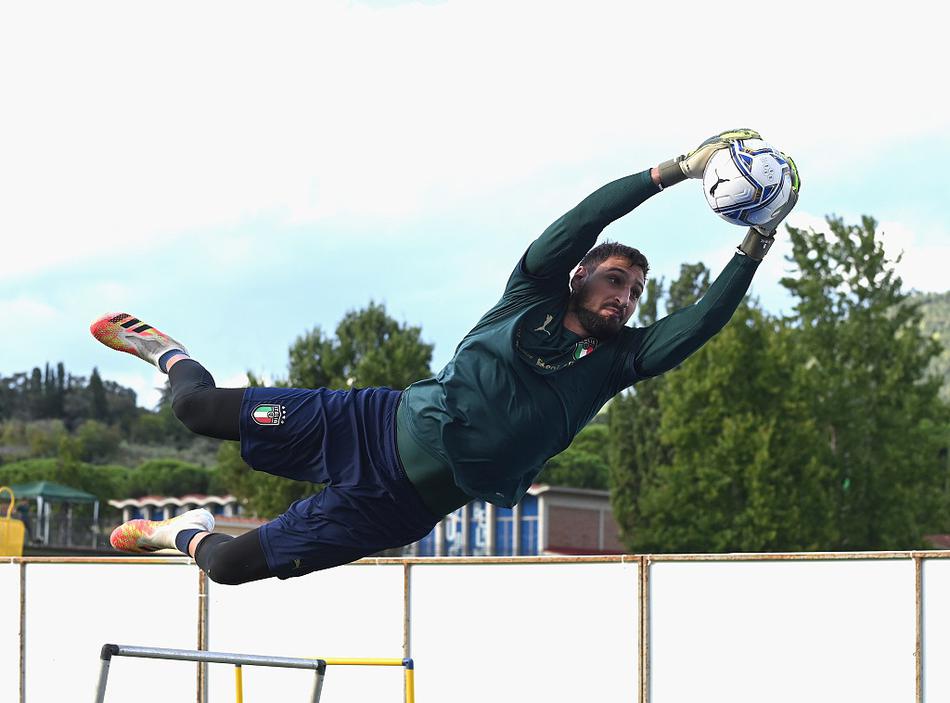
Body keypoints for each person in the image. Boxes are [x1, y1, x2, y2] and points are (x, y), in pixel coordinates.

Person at [93, 129, 799, 585]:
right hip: (366, 424)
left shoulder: (616, 363)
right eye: (616, 279)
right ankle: (165, 350)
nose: (626, 297)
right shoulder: (532, 291)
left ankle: (180, 531)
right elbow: (588, 219)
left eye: (637, 291)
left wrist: (757, 241)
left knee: (228, 566)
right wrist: (681, 167)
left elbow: (701, 322)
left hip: (392, 508)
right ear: (579, 275)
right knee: (192, 407)